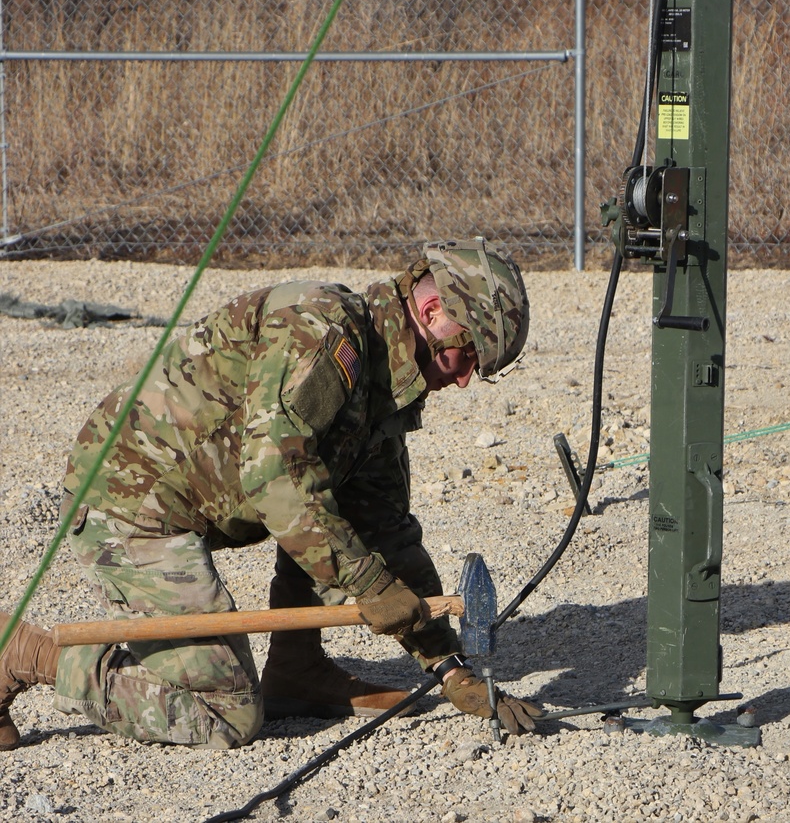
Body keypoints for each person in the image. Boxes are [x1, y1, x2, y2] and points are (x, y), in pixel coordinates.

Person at [0, 238, 541, 750]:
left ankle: (297, 668)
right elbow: (275, 479)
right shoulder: (323, 332)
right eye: (469, 356)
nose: (468, 379)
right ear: (431, 316)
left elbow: (383, 528)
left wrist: (449, 667)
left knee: (336, 516)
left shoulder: (384, 380)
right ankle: (26, 653)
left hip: (194, 499)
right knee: (226, 715)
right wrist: (369, 585)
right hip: (129, 500)